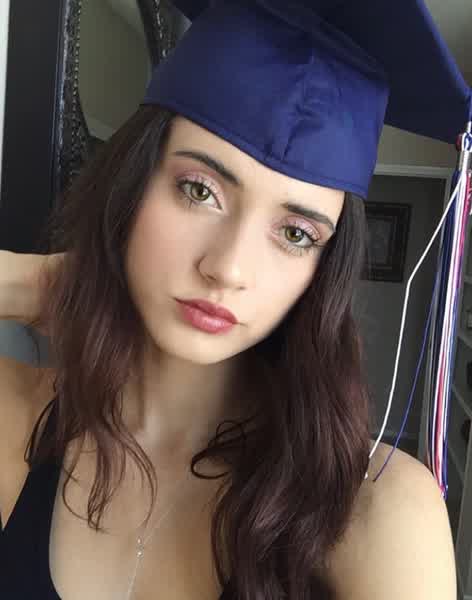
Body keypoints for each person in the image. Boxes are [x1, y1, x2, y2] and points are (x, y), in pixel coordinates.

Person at [0, 0, 468, 598]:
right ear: (131, 186)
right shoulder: (17, 414)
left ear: (322, 270)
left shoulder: (376, 509)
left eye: (295, 234)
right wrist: (30, 282)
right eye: (199, 191)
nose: (228, 268)